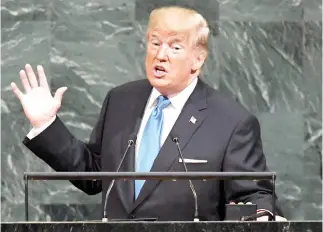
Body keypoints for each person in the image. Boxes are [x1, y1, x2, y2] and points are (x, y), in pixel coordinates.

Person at [11, 6, 286, 221]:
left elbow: (255, 194)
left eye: (175, 46)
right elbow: (94, 174)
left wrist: (262, 215)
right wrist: (46, 125)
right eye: (155, 43)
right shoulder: (121, 100)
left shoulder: (231, 121)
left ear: (198, 59)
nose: (161, 55)